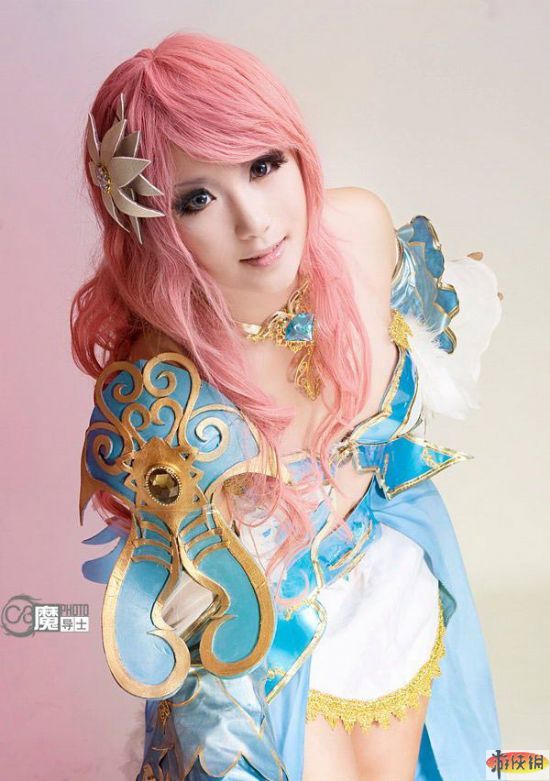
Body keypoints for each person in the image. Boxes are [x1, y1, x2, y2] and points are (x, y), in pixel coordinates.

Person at [73, 31, 503, 781]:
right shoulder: (161, 380)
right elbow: (171, 581)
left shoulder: (357, 234)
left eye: (263, 165)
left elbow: (446, 318)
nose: (255, 221)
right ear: (154, 226)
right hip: (268, 630)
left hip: (397, 570)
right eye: (197, 199)